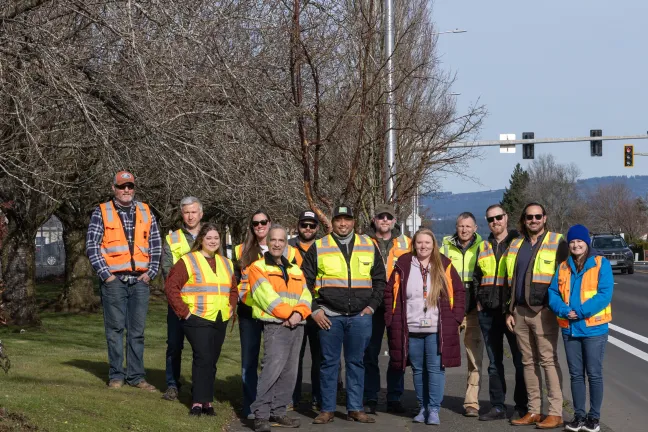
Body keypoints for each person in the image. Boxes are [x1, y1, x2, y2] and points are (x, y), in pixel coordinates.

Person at [302, 205, 386, 424]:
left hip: (360, 316)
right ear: (332, 222)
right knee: (328, 363)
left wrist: (371, 307)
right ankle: (327, 409)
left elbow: (379, 279)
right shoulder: (320, 246)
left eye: (347, 219)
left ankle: (355, 408)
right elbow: (304, 282)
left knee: (356, 362)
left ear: (354, 222)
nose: (343, 224)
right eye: (338, 220)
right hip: (329, 315)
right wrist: (315, 310)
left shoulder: (368, 244)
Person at [85, 171, 161, 391]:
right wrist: (106, 275)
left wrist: (151, 272)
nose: (126, 190)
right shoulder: (102, 211)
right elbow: (92, 245)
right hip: (114, 281)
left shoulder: (146, 211)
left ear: (134, 188)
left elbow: (155, 244)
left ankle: (136, 376)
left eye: (129, 186)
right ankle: (116, 375)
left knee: (137, 332)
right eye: (121, 187)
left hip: (140, 281)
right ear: (114, 188)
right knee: (115, 330)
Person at [384, 228, 465, 425]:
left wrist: (456, 318)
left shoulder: (444, 265)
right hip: (410, 328)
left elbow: (460, 292)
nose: (423, 246)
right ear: (414, 244)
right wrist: (390, 318)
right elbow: (389, 294)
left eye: (427, 243)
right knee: (418, 370)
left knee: (436, 369)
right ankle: (422, 408)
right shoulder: (403, 264)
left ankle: (434, 409)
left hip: (437, 329)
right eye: (419, 242)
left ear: (433, 245)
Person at [505, 203, 569, 429]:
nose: (533, 220)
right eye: (529, 216)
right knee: (527, 362)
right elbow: (509, 280)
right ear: (524, 219)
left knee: (548, 361)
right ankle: (533, 410)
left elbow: (566, 277)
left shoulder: (557, 242)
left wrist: (557, 307)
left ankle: (555, 412)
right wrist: (509, 310)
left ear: (545, 217)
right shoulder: (516, 245)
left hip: (545, 312)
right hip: (519, 311)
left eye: (537, 216)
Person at [164, 223, 238, 416]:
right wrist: (184, 312)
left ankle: (207, 400)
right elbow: (171, 287)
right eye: (209, 238)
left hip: (219, 317)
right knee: (203, 356)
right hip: (196, 317)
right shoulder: (188, 260)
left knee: (211, 360)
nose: (213, 241)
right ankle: (197, 401)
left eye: (216, 238)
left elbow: (233, 289)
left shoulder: (226, 262)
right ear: (201, 240)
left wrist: (231, 307)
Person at [234, 210, 300, 418]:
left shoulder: (290, 252)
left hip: (278, 314)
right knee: (249, 360)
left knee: (279, 361)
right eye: (255, 223)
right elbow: (235, 282)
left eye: (263, 222)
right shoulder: (241, 250)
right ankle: (252, 405)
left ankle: (278, 405)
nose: (260, 226)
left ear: (270, 224)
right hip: (250, 312)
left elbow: (297, 282)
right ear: (251, 227)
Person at [548, 224, 613, 432]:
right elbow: (553, 293)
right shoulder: (563, 266)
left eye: (579, 241)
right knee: (576, 375)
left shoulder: (600, 263)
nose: (576, 245)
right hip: (570, 329)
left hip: (594, 329)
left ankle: (594, 418)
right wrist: (564, 310)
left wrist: (581, 311)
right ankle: (579, 416)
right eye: (573, 242)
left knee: (594, 374)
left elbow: (604, 294)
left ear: (587, 243)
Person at [248, 225, 313, 432]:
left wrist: (298, 314)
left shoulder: (295, 269)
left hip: (297, 325)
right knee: (272, 370)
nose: (277, 244)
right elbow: (265, 296)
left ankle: (279, 411)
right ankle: (261, 415)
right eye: (273, 240)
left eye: (281, 241)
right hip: (276, 325)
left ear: (286, 243)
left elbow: (306, 295)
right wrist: (289, 314)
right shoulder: (258, 267)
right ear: (267, 242)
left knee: (289, 372)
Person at [473, 205, 527, 421]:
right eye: (490, 219)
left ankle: (522, 406)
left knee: (520, 360)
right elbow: (477, 275)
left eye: (498, 217)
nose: (495, 222)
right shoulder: (484, 246)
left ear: (506, 218)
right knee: (494, 363)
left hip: (512, 312)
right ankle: (497, 406)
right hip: (488, 312)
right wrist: (479, 300)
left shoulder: (519, 244)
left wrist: (515, 307)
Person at [363, 204, 411, 414]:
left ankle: (394, 397)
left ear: (394, 221)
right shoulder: (362, 242)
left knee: (398, 352)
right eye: (381, 217)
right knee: (369, 352)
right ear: (374, 220)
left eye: (388, 217)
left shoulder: (407, 243)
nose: (384, 220)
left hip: (397, 303)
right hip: (370, 303)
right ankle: (370, 397)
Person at [440, 212, 483, 417]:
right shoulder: (445, 248)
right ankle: (433, 399)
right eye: (461, 226)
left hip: (474, 309)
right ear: (456, 227)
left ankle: (471, 403)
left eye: (468, 226)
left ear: (475, 228)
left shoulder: (484, 248)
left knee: (474, 359)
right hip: (450, 309)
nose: (464, 230)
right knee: (439, 354)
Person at [161, 196, 204, 401]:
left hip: (205, 303)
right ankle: (172, 385)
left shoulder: (211, 236)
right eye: (186, 212)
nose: (190, 216)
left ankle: (200, 387)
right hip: (178, 302)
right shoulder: (173, 239)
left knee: (202, 348)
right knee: (174, 345)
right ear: (182, 214)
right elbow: (167, 270)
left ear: (201, 214)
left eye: (194, 212)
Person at [289, 210, 323, 410]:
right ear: (298, 226)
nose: (308, 229)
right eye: (304, 225)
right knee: (295, 357)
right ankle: (293, 397)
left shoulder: (324, 247)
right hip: (295, 308)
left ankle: (319, 398)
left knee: (320, 356)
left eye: (312, 225)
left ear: (317, 227)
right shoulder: (288, 248)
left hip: (318, 307)